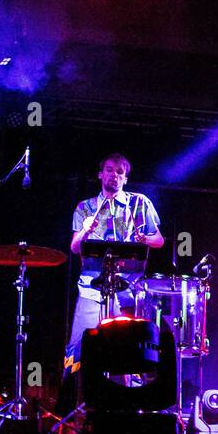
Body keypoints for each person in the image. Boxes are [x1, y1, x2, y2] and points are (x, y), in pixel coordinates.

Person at [61, 153, 164, 395]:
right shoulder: (85, 208)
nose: (114, 175)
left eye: (120, 172)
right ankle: (71, 410)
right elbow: (75, 248)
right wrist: (84, 231)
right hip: (91, 288)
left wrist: (144, 239)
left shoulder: (140, 204)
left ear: (125, 179)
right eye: (109, 170)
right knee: (77, 349)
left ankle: (125, 408)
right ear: (100, 174)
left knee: (127, 349)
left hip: (127, 290)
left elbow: (158, 240)